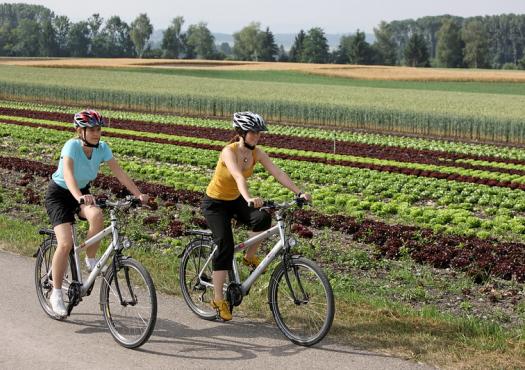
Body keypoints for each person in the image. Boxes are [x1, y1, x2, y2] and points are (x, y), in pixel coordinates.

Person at [201, 111, 311, 321]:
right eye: (253, 132)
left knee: (262, 218)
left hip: (235, 200)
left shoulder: (257, 153)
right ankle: (217, 298)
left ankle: (249, 256)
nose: (257, 136)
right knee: (224, 244)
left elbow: (277, 173)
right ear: (241, 132)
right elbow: (237, 176)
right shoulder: (228, 151)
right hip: (215, 204)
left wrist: (298, 193)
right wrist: (249, 197)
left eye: (259, 133)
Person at [44, 109, 148, 318]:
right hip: (60, 194)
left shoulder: (102, 148)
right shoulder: (71, 146)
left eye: (98, 129)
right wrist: (79, 197)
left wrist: (138, 195)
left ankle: (90, 260)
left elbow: (119, 173)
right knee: (65, 244)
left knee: (97, 215)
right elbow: (68, 175)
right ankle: (55, 293)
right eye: (91, 129)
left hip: (82, 193)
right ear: (79, 130)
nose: (96, 133)